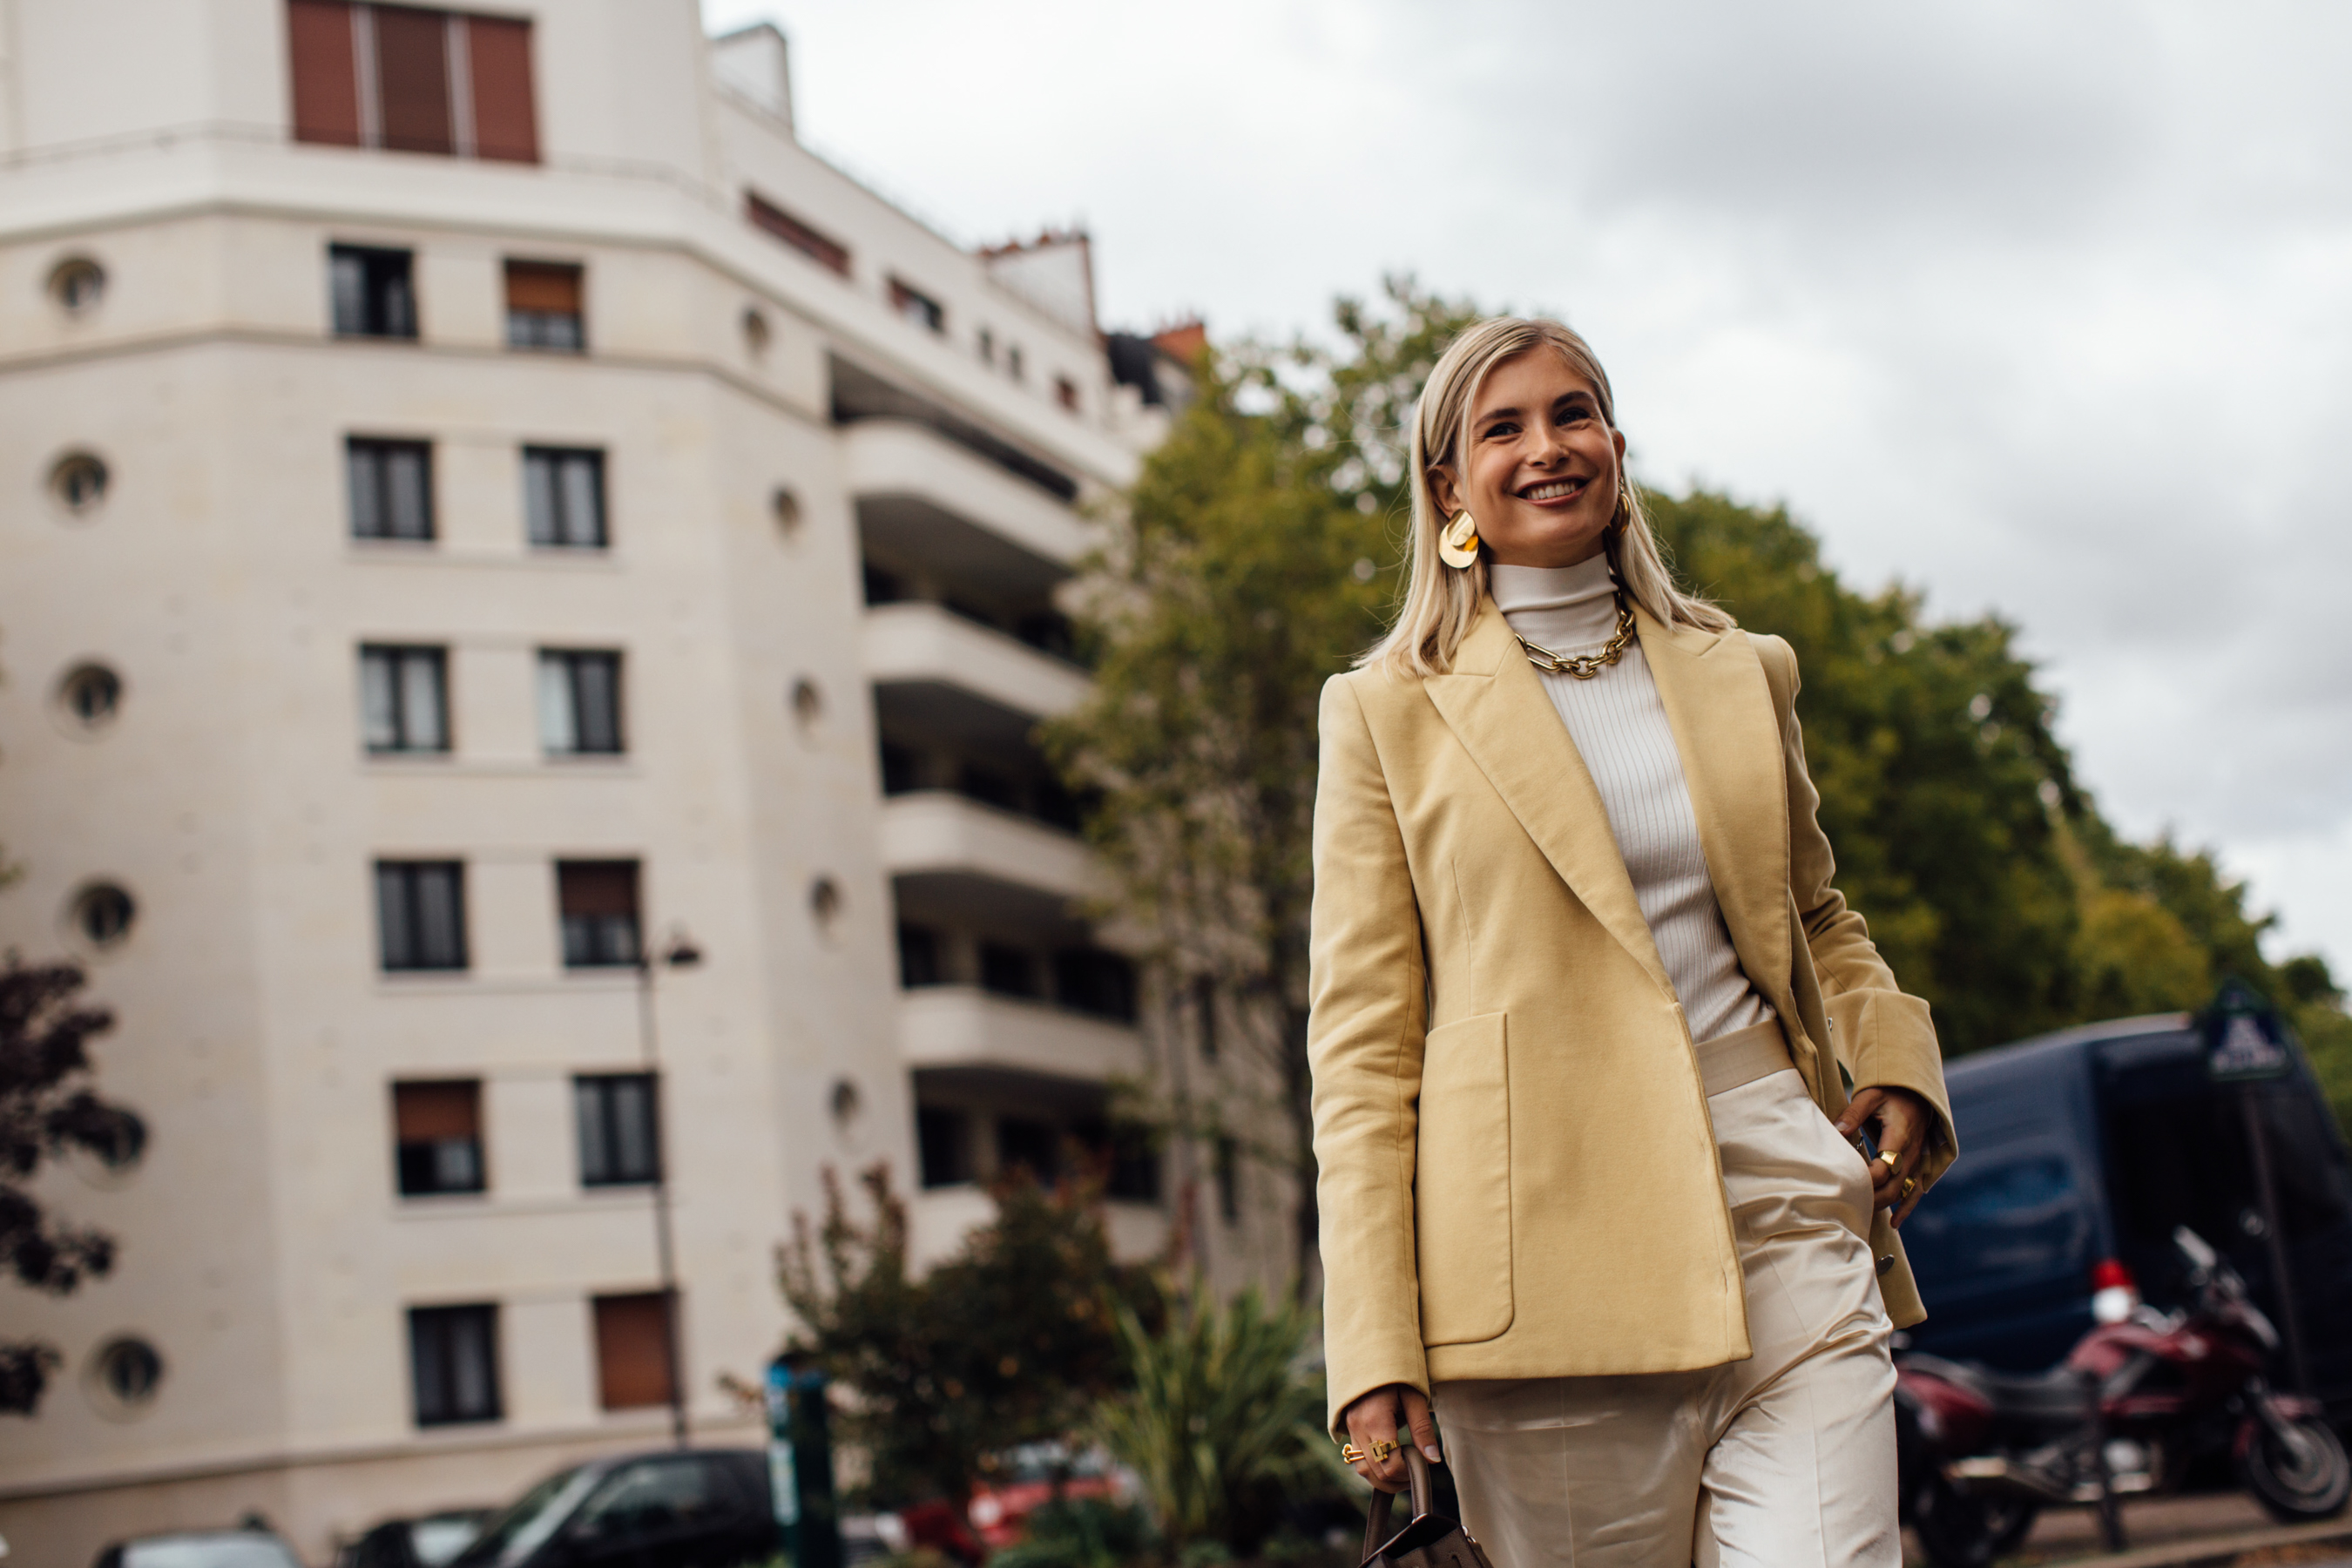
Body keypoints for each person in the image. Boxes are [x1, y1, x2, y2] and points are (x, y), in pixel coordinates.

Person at [1308, 316, 1957, 1567]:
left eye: (1574, 414)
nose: (1548, 447)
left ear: (1615, 445)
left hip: (1783, 1209)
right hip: (1541, 1277)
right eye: (1502, 428)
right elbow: (1362, 1055)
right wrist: (1374, 1347)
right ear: (1449, 485)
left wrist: (1893, 1058)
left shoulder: (1741, 670)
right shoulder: (1384, 714)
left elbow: (1814, 914)